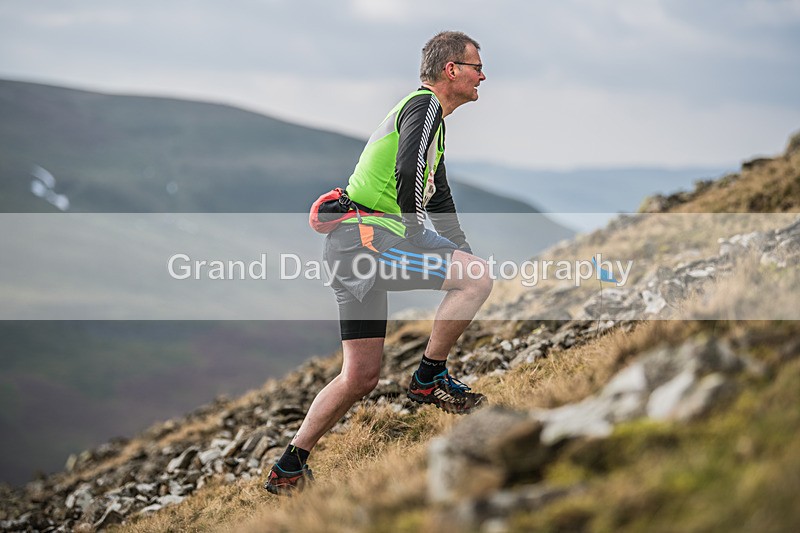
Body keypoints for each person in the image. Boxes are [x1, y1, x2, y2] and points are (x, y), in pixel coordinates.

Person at [265, 31, 492, 495]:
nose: (482, 76)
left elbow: (439, 195)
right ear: (451, 70)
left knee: (360, 376)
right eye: (476, 66)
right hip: (370, 243)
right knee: (477, 280)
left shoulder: (433, 123)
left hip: (351, 249)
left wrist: (459, 250)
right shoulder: (424, 106)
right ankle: (429, 378)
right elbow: (408, 170)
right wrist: (416, 234)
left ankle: (289, 467)